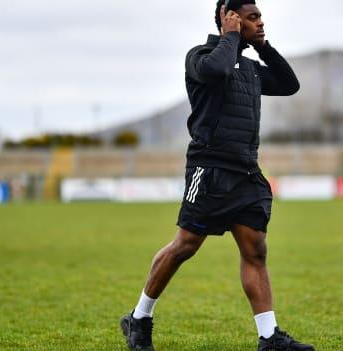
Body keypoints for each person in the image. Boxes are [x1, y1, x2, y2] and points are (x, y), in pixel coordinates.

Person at [119, 1, 314, 350]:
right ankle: (139, 317)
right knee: (185, 246)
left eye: (260, 17)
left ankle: (269, 337)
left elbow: (289, 83)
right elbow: (217, 71)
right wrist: (231, 36)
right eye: (253, 17)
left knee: (255, 251)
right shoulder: (201, 56)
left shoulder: (252, 68)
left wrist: (262, 45)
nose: (261, 22)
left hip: (246, 171)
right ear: (231, 18)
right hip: (209, 169)